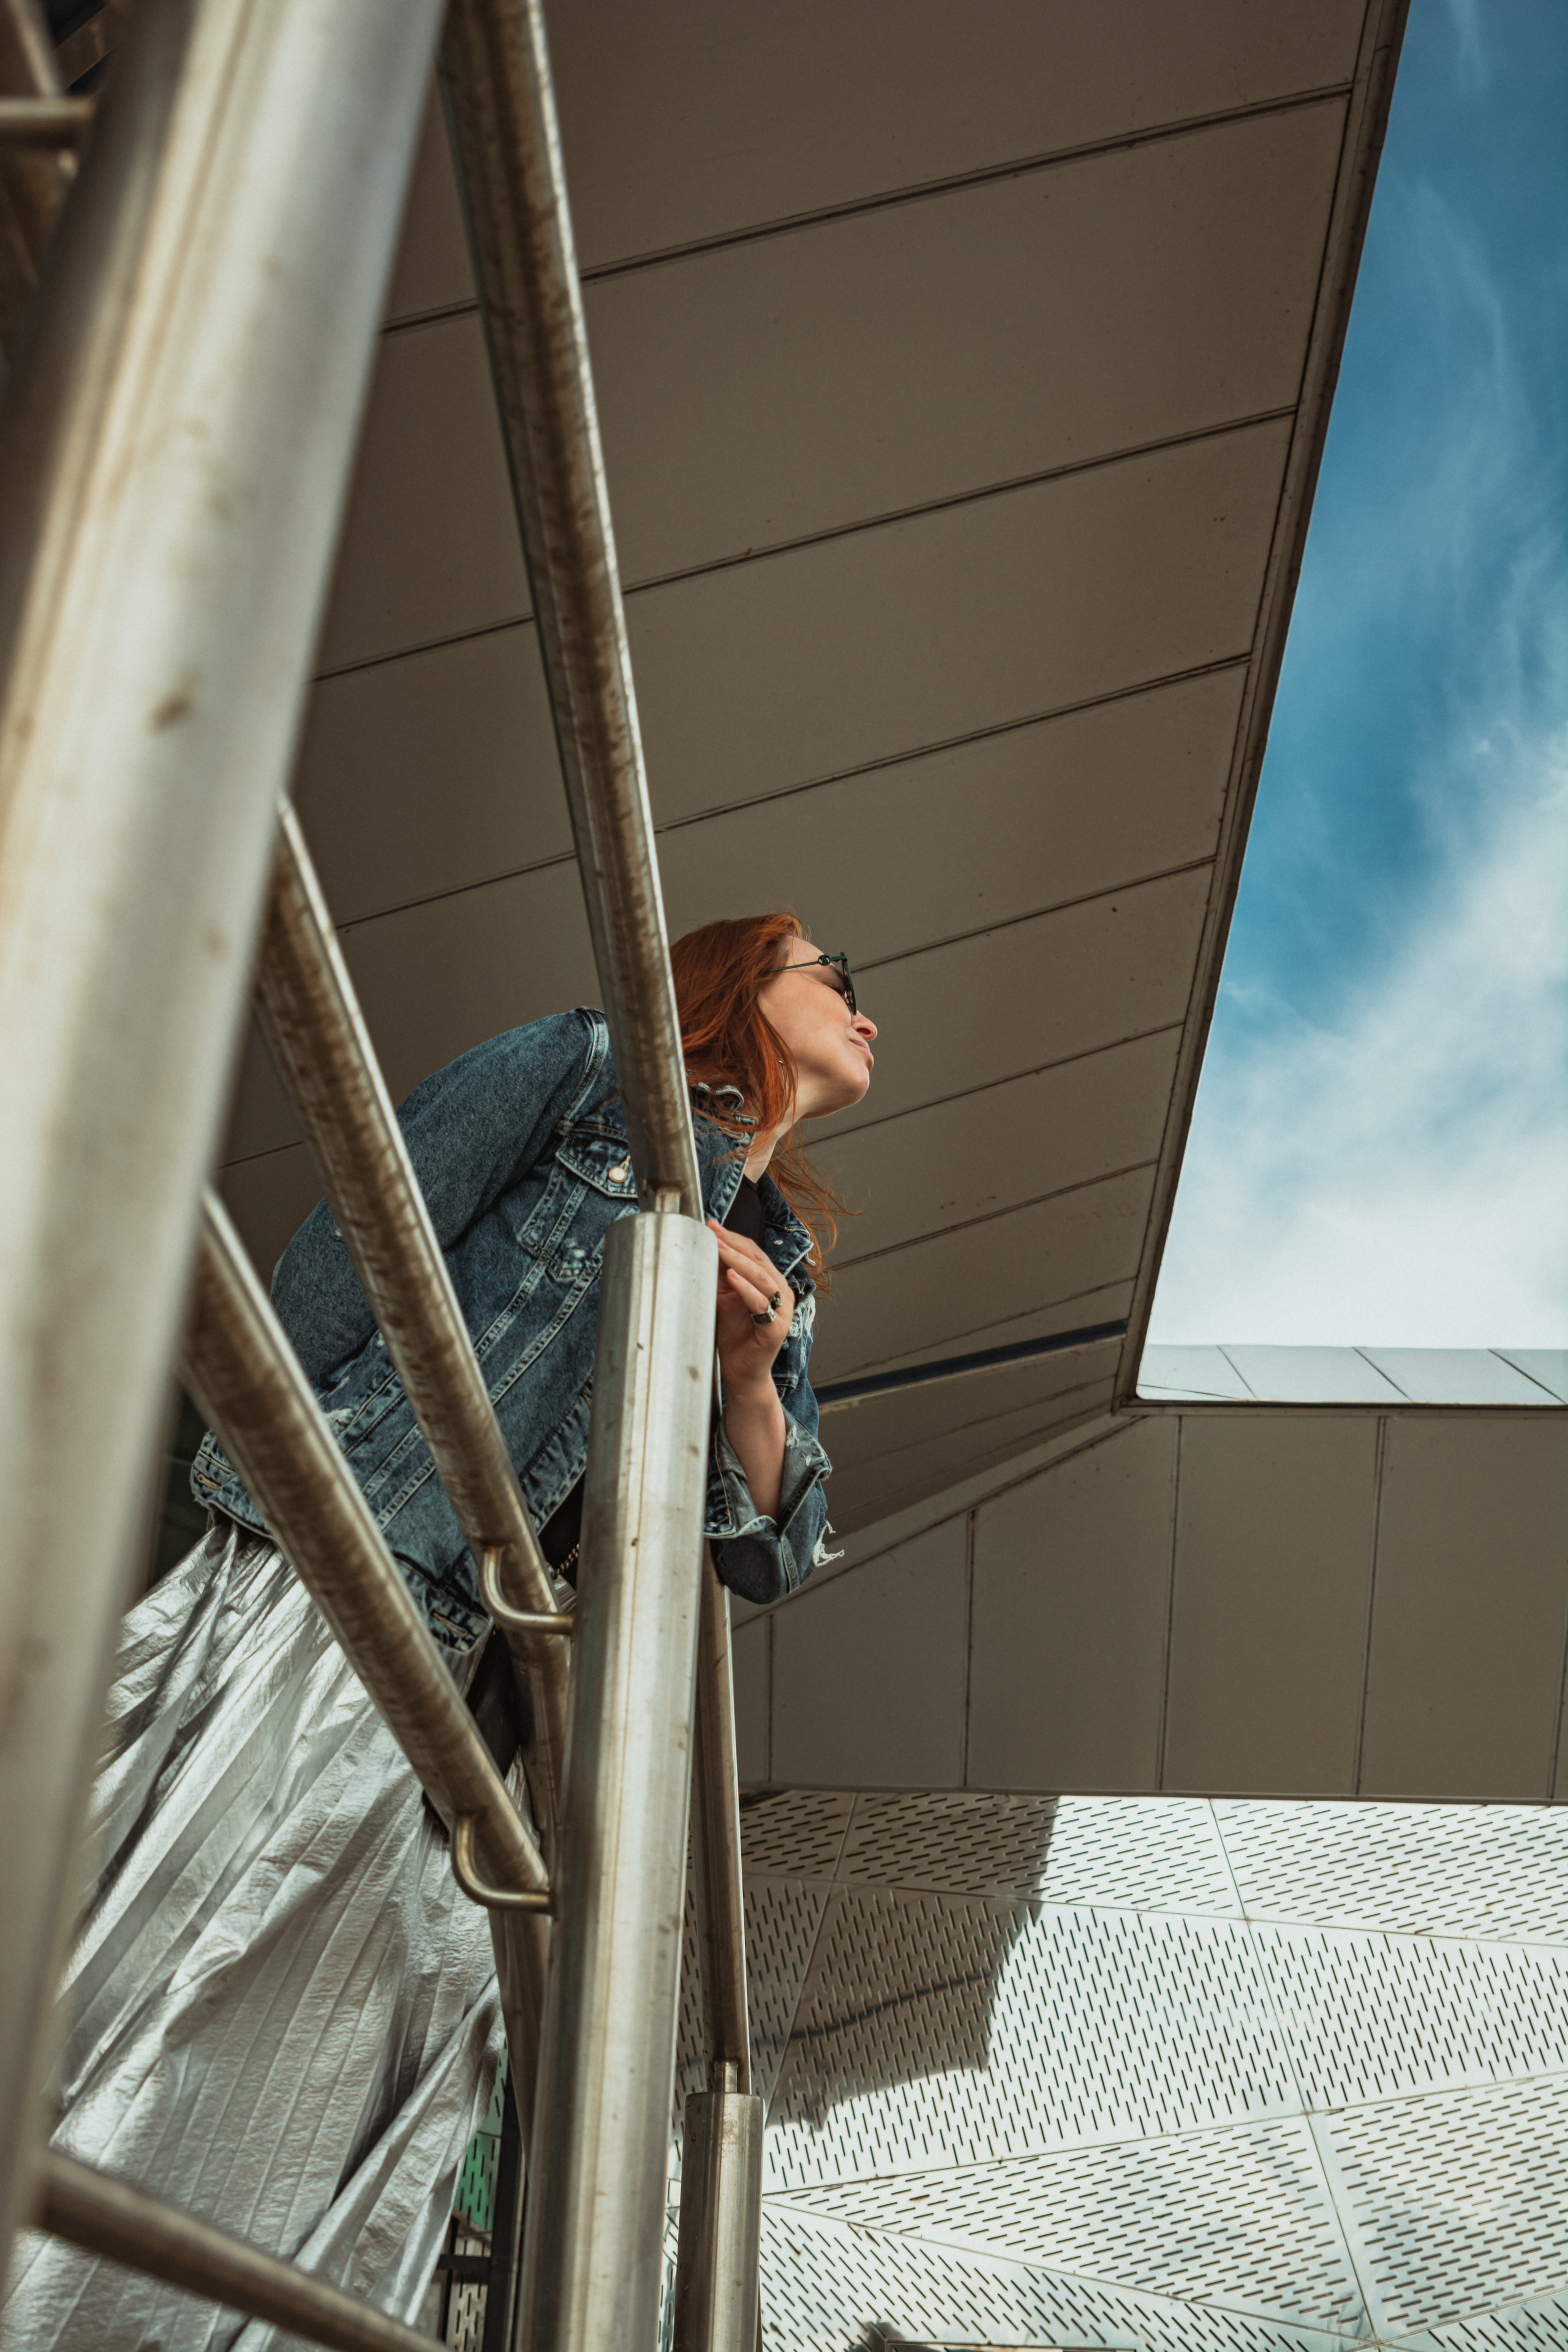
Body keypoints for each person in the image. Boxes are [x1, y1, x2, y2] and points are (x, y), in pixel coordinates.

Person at [1, 913, 875, 2351]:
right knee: (153, 1934)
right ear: (733, 977)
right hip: (351, 1580)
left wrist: (748, 1376)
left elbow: (770, 1548)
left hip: (494, 1707)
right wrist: (321, 1506)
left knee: (325, 2061)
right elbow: (348, 1264)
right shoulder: (585, 1070)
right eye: (832, 970)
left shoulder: (774, 1258)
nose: (863, 1008)